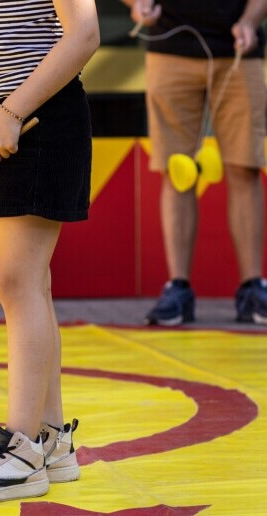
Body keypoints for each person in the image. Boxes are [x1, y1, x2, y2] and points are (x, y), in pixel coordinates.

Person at [0, 0, 100, 504]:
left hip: (35, 119)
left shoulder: (20, 112)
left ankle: (22, 451)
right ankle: (50, 440)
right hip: (2, 117)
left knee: (17, 282)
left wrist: (10, 111)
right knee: (30, 283)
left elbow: (85, 33)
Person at [121, 0, 267, 326]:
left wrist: (249, 19)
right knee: (177, 171)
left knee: (245, 166)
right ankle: (178, 287)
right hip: (169, 48)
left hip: (239, 50)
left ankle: (253, 286)